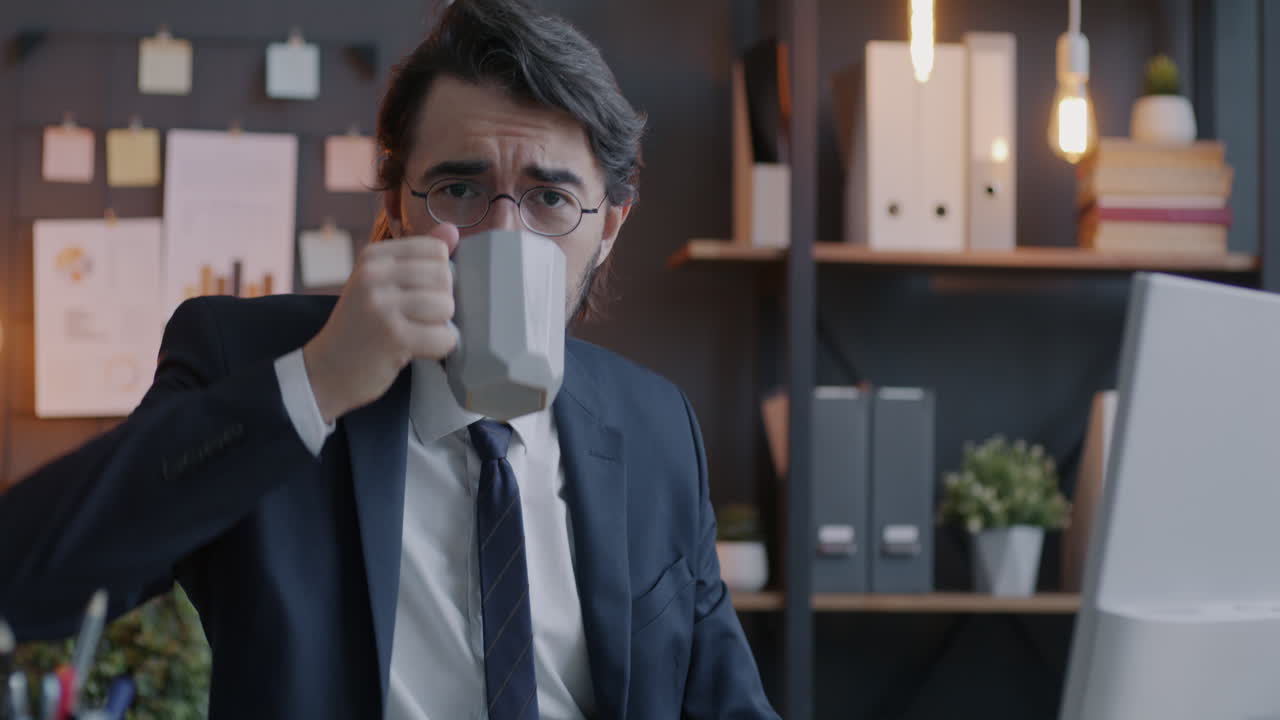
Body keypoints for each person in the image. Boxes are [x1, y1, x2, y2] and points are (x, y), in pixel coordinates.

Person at [0, 1, 780, 718]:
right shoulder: (250, 362)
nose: (503, 237)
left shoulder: (653, 427)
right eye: (460, 190)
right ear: (398, 207)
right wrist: (316, 385)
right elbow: (25, 581)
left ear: (609, 227)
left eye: (549, 198)